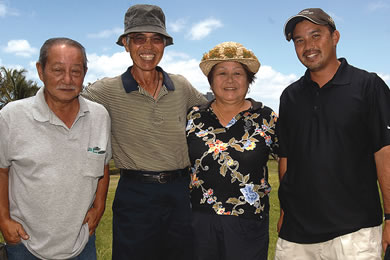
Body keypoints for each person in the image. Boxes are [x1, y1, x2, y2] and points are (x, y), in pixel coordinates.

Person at [82, 4, 207, 260]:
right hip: (135, 194)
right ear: (126, 44)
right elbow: (68, 103)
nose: (148, 48)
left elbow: (214, 113)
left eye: (156, 39)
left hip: (181, 192)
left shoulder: (181, 86)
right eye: (139, 39)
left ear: (164, 45)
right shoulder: (106, 90)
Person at [275, 8, 390, 260]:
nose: (308, 46)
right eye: (299, 40)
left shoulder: (368, 86)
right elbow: (286, 158)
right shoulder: (290, 96)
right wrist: (284, 211)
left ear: (335, 37)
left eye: (316, 35)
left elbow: (385, 153)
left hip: (354, 233)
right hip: (296, 235)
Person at [0, 37, 111, 260]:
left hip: (82, 243)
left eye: (76, 71)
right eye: (58, 70)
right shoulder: (11, 116)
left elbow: (103, 164)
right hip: (25, 244)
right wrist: (3, 219)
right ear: (40, 71)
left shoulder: (99, 116)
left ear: (85, 73)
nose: (67, 79)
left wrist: (99, 207)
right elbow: (2, 169)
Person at [186, 41, 278, 260]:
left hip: (248, 220)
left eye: (238, 73)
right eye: (221, 73)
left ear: (249, 80)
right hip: (199, 220)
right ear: (210, 80)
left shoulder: (266, 117)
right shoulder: (193, 116)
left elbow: (288, 160)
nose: (230, 80)